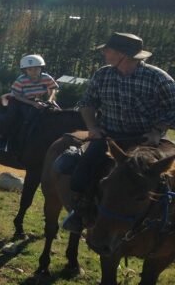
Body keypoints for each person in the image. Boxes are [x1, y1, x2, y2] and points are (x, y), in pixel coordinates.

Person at [62, 32, 175, 233]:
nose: (104, 52)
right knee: (81, 174)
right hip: (109, 137)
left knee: (164, 177)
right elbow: (87, 103)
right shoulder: (102, 74)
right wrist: (93, 127)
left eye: (108, 49)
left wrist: (157, 131)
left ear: (123, 54)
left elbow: (172, 107)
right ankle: (80, 212)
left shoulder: (158, 78)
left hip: (147, 139)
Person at [0, 54, 59, 151]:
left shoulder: (46, 77)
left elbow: (53, 89)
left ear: (41, 68)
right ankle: (0, 139)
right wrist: (33, 104)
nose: (33, 71)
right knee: (11, 116)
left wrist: (50, 100)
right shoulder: (21, 80)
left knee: (57, 112)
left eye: (36, 68)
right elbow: (17, 96)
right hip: (18, 100)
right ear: (25, 70)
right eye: (30, 69)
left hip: (34, 99)